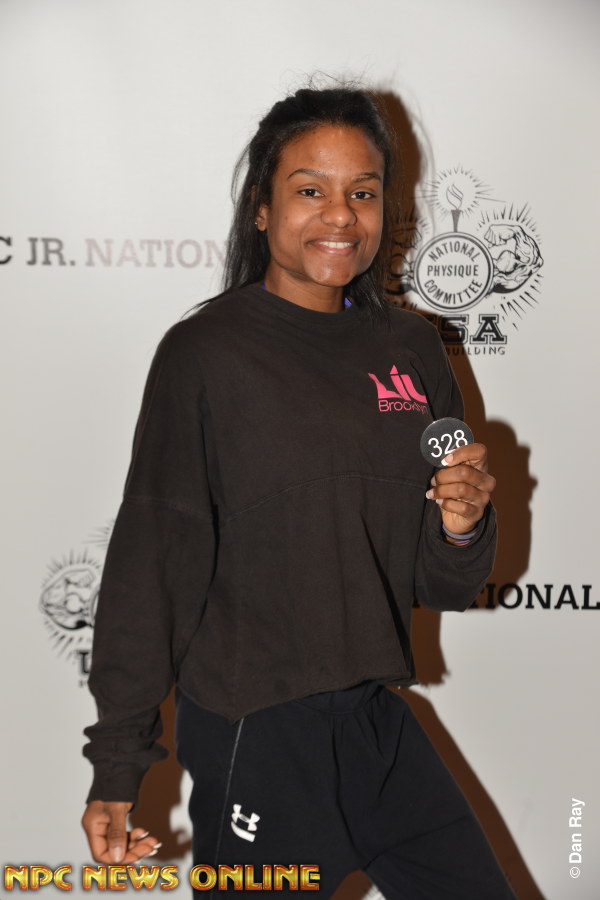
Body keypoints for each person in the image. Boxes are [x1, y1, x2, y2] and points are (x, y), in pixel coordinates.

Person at [82, 85, 515, 898]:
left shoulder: (412, 347)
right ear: (261, 207)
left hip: (377, 724)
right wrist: (118, 761)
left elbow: (443, 584)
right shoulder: (205, 354)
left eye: (363, 193)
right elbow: (152, 564)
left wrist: (462, 523)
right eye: (310, 190)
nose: (340, 216)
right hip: (257, 734)